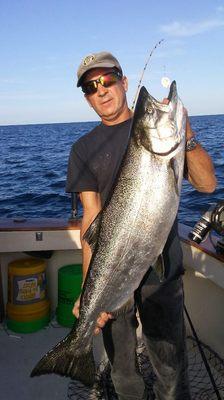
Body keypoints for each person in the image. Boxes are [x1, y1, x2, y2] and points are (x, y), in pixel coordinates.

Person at [66, 52, 216, 400]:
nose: (101, 91)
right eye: (91, 87)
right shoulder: (82, 149)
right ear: (86, 97)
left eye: (108, 80)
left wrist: (187, 133)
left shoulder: (167, 138)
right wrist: (89, 292)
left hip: (161, 276)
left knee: (170, 369)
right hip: (113, 275)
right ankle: (76, 354)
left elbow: (207, 185)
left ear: (124, 82)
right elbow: (92, 220)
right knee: (122, 371)